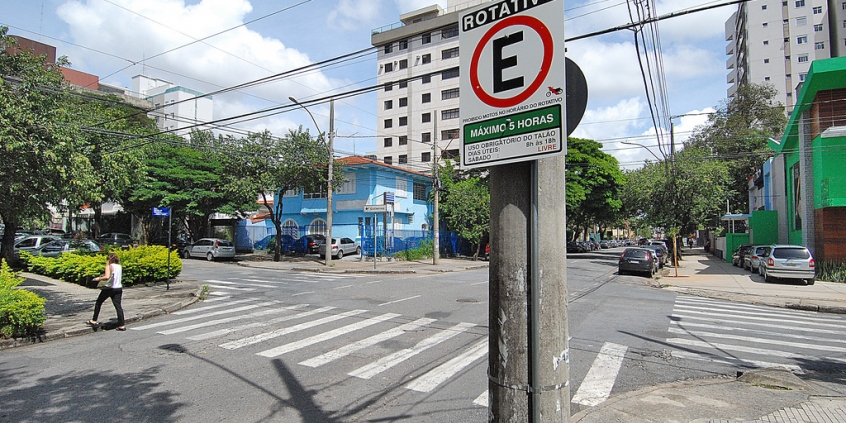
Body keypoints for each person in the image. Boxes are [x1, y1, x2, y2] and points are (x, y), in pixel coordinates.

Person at [87, 253, 125, 331]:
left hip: (109, 288)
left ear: (109, 259)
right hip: (118, 288)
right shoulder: (119, 266)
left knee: (99, 302)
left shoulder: (109, 266)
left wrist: (98, 278)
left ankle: (94, 320)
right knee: (118, 306)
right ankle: (121, 325)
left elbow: (107, 277)